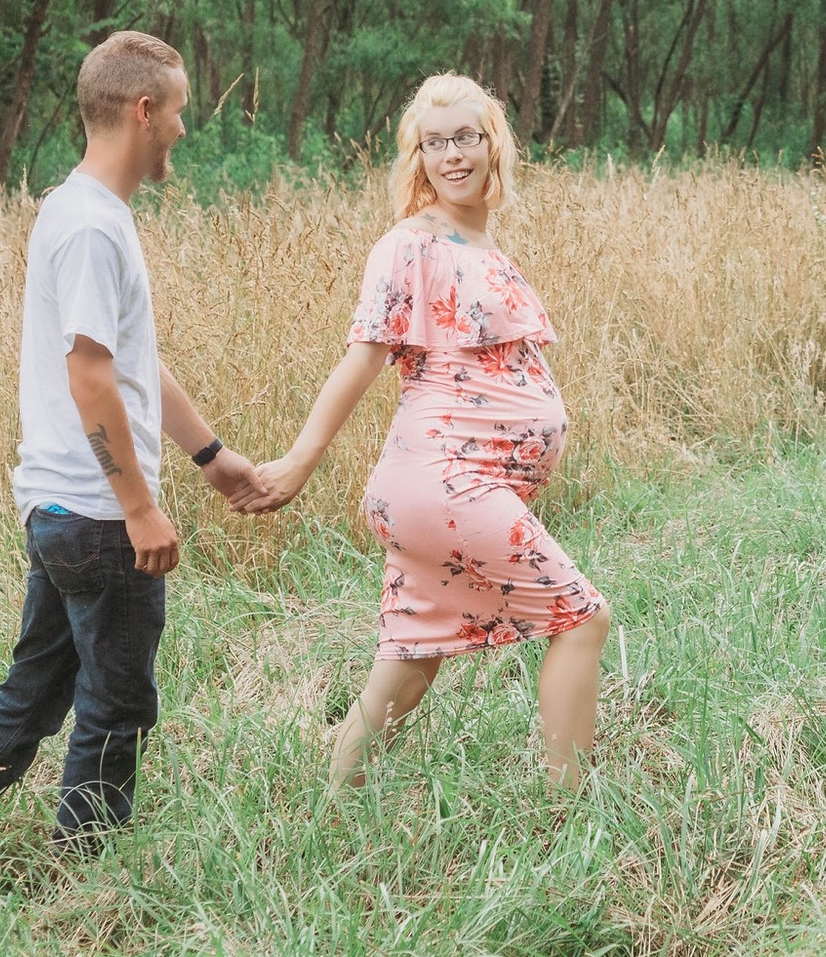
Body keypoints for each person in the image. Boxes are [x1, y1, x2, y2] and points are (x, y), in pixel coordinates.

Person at [0, 30, 264, 853]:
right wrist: (139, 507)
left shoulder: (77, 210)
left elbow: (131, 363)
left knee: (38, 687)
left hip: (62, 505)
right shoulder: (94, 229)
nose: (183, 129)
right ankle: (86, 869)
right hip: (100, 518)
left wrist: (212, 459)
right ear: (143, 111)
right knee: (118, 704)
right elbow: (91, 377)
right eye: (178, 113)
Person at [230, 73, 611, 792]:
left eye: (465, 137)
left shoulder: (481, 243)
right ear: (418, 158)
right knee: (582, 618)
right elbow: (364, 357)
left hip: (462, 486)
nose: (452, 155)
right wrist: (299, 461)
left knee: (412, 654)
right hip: (445, 483)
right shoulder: (410, 244)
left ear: (493, 142)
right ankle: (572, 814)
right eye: (434, 144)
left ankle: (330, 805)